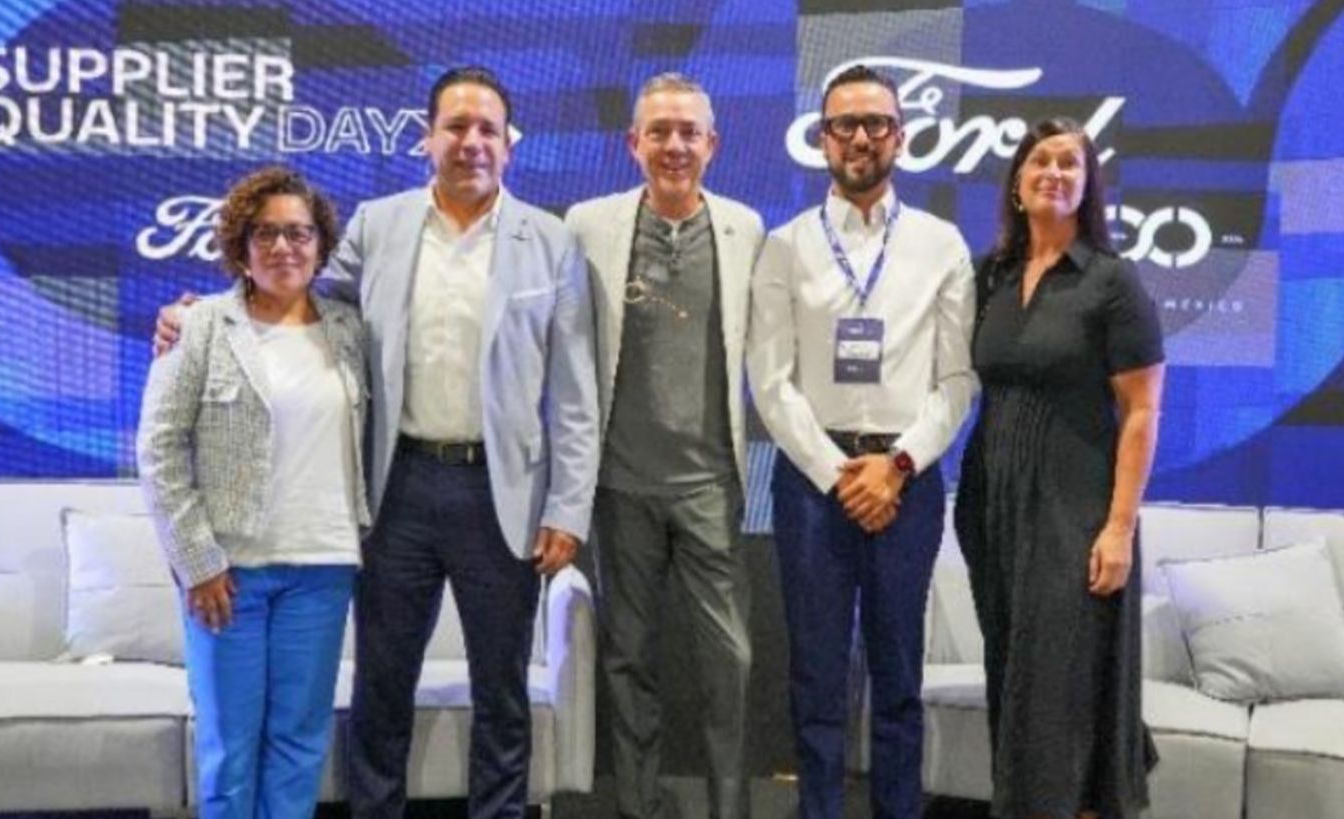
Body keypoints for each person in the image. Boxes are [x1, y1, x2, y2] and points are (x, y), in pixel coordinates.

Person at [156, 67, 599, 819]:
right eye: (455, 127)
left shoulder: (551, 241)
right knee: (382, 684)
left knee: (502, 689)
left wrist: (567, 506)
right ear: (427, 138)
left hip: (505, 494)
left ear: (509, 144)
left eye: (487, 129)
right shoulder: (377, 224)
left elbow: (574, 391)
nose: (471, 142)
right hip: (398, 487)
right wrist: (200, 313)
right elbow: (293, 291)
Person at [746, 65, 978, 819]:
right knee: (816, 675)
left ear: (900, 137)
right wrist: (838, 472)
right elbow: (770, 381)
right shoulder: (784, 246)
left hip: (907, 482)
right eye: (843, 124)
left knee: (898, 673)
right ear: (821, 139)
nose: (860, 137)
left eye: (876, 123)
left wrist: (898, 465)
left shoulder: (942, 244)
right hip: (813, 485)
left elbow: (957, 380)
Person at [138, 165, 368, 819]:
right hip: (228, 575)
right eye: (265, 233)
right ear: (240, 246)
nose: (283, 246)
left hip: (323, 567)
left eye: (299, 233)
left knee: (299, 744)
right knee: (229, 753)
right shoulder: (200, 326)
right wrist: (198, 562)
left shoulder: (351, 330)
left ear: (320, 245)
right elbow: (159, 450)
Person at [563, 72, 764, 819]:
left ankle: (729, 808)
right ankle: (639, 807)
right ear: (633, 143)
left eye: (688, 132)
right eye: (659, 132)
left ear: (713, 144)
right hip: (621, 486)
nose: (674, 146)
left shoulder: (746, 229)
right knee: (629, 660)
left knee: (730, 662)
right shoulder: (587, 225)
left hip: (711, 485)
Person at [954, 116, 1165, 819]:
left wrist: (1119, 527)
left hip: (1074, 511)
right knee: (1013, 674)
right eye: (1040, 160)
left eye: (1069, 163)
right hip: (991, 505)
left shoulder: (1111, 282)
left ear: (1087, 186)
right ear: (1017, 182)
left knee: (1056, 684)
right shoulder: (990, 275)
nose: (1053, 173)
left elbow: (1141, 411)